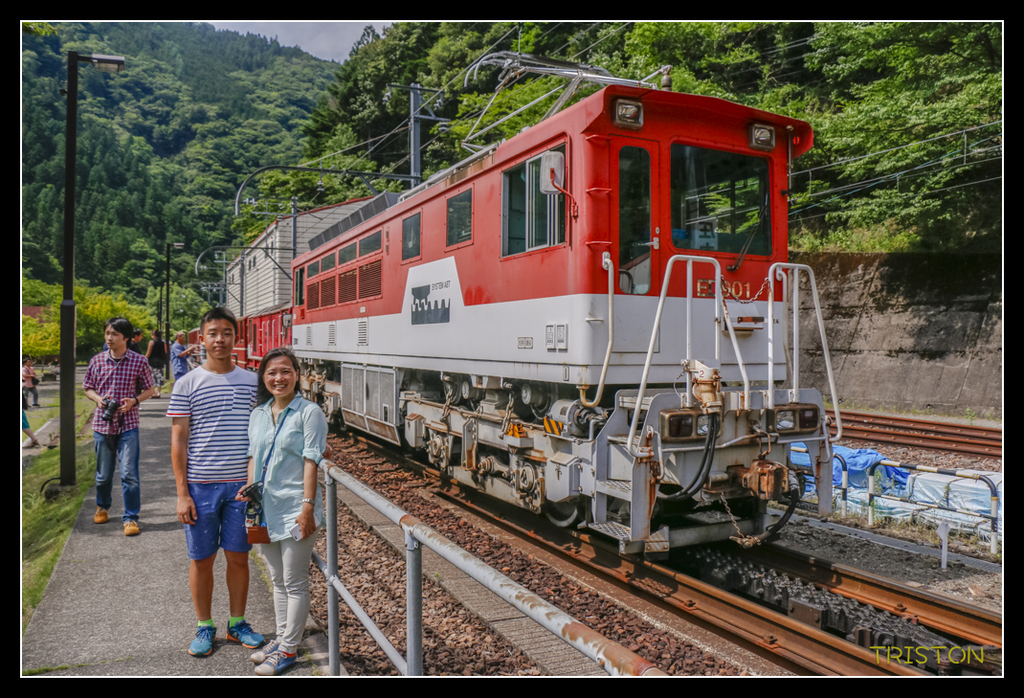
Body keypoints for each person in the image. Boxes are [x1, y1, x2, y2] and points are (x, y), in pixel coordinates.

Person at [167, 308, 264, 658]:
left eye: (226, 332)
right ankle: (204, 626)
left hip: (243, 487)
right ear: (201, 339)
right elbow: (178, 440)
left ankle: (237, 623)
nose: (219, 339)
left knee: (240, 557)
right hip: (200, 486)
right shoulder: (187, 383)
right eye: (212, 333)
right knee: (201, 559)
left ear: (236, 337)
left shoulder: (254, 381)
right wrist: (182, 494)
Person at [239, 347, 326, 676]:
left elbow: (311, 461)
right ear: (264, 376)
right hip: (264, 510)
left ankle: (289, 649)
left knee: (294, 581)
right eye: (272, 372)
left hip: (294, 509)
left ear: (297, 375)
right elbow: (252, 457)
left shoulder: (309, 412)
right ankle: (281, 639)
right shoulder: (258, 413)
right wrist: (250, 495)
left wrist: (307, 508)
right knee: (277, 580)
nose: (279, 378)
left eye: (286, 371)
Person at [83, 317, 156, 536]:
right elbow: (87, 387)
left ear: (126, 337)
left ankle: (131, 518)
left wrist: (134, 401)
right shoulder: (97, 361)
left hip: (128, 425)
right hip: (102, 425)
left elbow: (149, 390)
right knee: (103, 475)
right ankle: (102, 506)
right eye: (107, 333)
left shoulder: (139, 361)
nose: (109, 338)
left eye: (114, 334)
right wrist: (97, 399)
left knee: (129, 474)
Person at [145, 329, 169, 398]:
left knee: (152, 377)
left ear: (153, 335)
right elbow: (165, 352)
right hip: (160, 362)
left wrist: (144, 359)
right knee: (160, 377)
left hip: (152, 362)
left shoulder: (151, 342)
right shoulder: (163, 343)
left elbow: (148, 353)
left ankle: (153, 393)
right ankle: (158, 393)